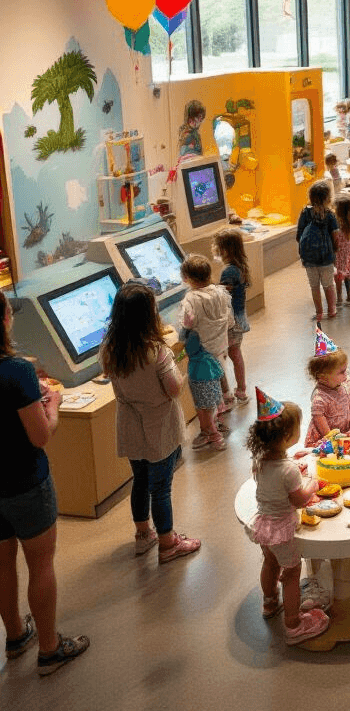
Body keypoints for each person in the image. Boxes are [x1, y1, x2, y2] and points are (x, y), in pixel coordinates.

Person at [0, 288, 90, 675]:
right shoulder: (16, 370)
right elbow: (40, 436)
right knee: (40, 563)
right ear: (4, 319)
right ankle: (50, 649)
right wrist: (50, 407)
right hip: (26, 483)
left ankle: (16, 635)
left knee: (2, 563)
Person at [101, 283, 200, 563]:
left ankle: (143, 535)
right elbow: (172, 389)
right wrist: (183, 370)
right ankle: (168, 544)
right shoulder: (157, 351)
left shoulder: (109, 348)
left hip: (129, 423)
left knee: (140, 481)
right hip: (159, 425)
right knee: (161, 488)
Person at [245, 388, 329, 645]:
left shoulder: (260, 460)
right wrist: (313, 484)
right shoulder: (289, 470)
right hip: (282, 528)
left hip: (264, 525)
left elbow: (274, 484)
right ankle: (294, 624)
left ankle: (270, 602)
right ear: (286, 436)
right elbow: (299, 500)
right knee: (291, 574)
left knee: (270, 563)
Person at [179, 253, 232, 451]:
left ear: (187, 278)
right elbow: (229, 315)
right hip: (219, 346)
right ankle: (218, 421)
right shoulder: (220, 292)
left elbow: (188, 322)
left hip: (202, 353)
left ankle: (211, 432)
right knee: (215, 388)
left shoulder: (191, 298)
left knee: (202, 397)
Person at [302, 348, 350, 446]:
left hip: (344, 430)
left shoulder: (344, 385)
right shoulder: (320, 398)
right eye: (342, 372)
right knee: (328, 458)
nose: (346, 375)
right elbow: (320, 422)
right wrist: (333, 440)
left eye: (346, 370)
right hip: (327, 437)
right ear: (323, 376)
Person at [213, 228, 251, 403]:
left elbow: (222, 294)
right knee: (236, 354)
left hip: (230, 322)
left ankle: (226, 393)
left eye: (217, 245)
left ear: (225, 249)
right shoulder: (240, 266)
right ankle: (241, 389)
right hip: (239, 318)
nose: (214, 248)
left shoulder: (228, 271)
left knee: (221, 356)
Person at [296, 180, 340, 319]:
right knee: (328, 285)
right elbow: (335, 235)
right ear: (328, 197)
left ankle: (319, 312)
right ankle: (332, 310)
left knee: (314, 286)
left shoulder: (305, 213)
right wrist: (335, 250)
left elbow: (299, 235)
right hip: (326, 256)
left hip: (309, 258)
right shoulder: (330, 215)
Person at [333, 198, 350, 307]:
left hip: (339, 254)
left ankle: (339, 298)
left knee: (338, 276)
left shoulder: (337, 223)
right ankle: (349, 297)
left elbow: (335, 239)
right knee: (347, 277)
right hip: (348, 253)